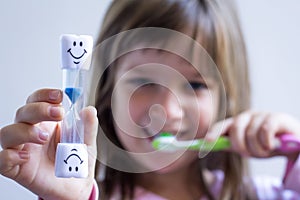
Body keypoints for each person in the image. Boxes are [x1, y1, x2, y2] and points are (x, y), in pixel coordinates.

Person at [1, 0, 300, 199]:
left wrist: (297, 151)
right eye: (145, 81)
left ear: (228, 99)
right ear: (108, 92)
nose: (167, 112)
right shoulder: (80, 195)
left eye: (195, 85)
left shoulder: (264, 195)